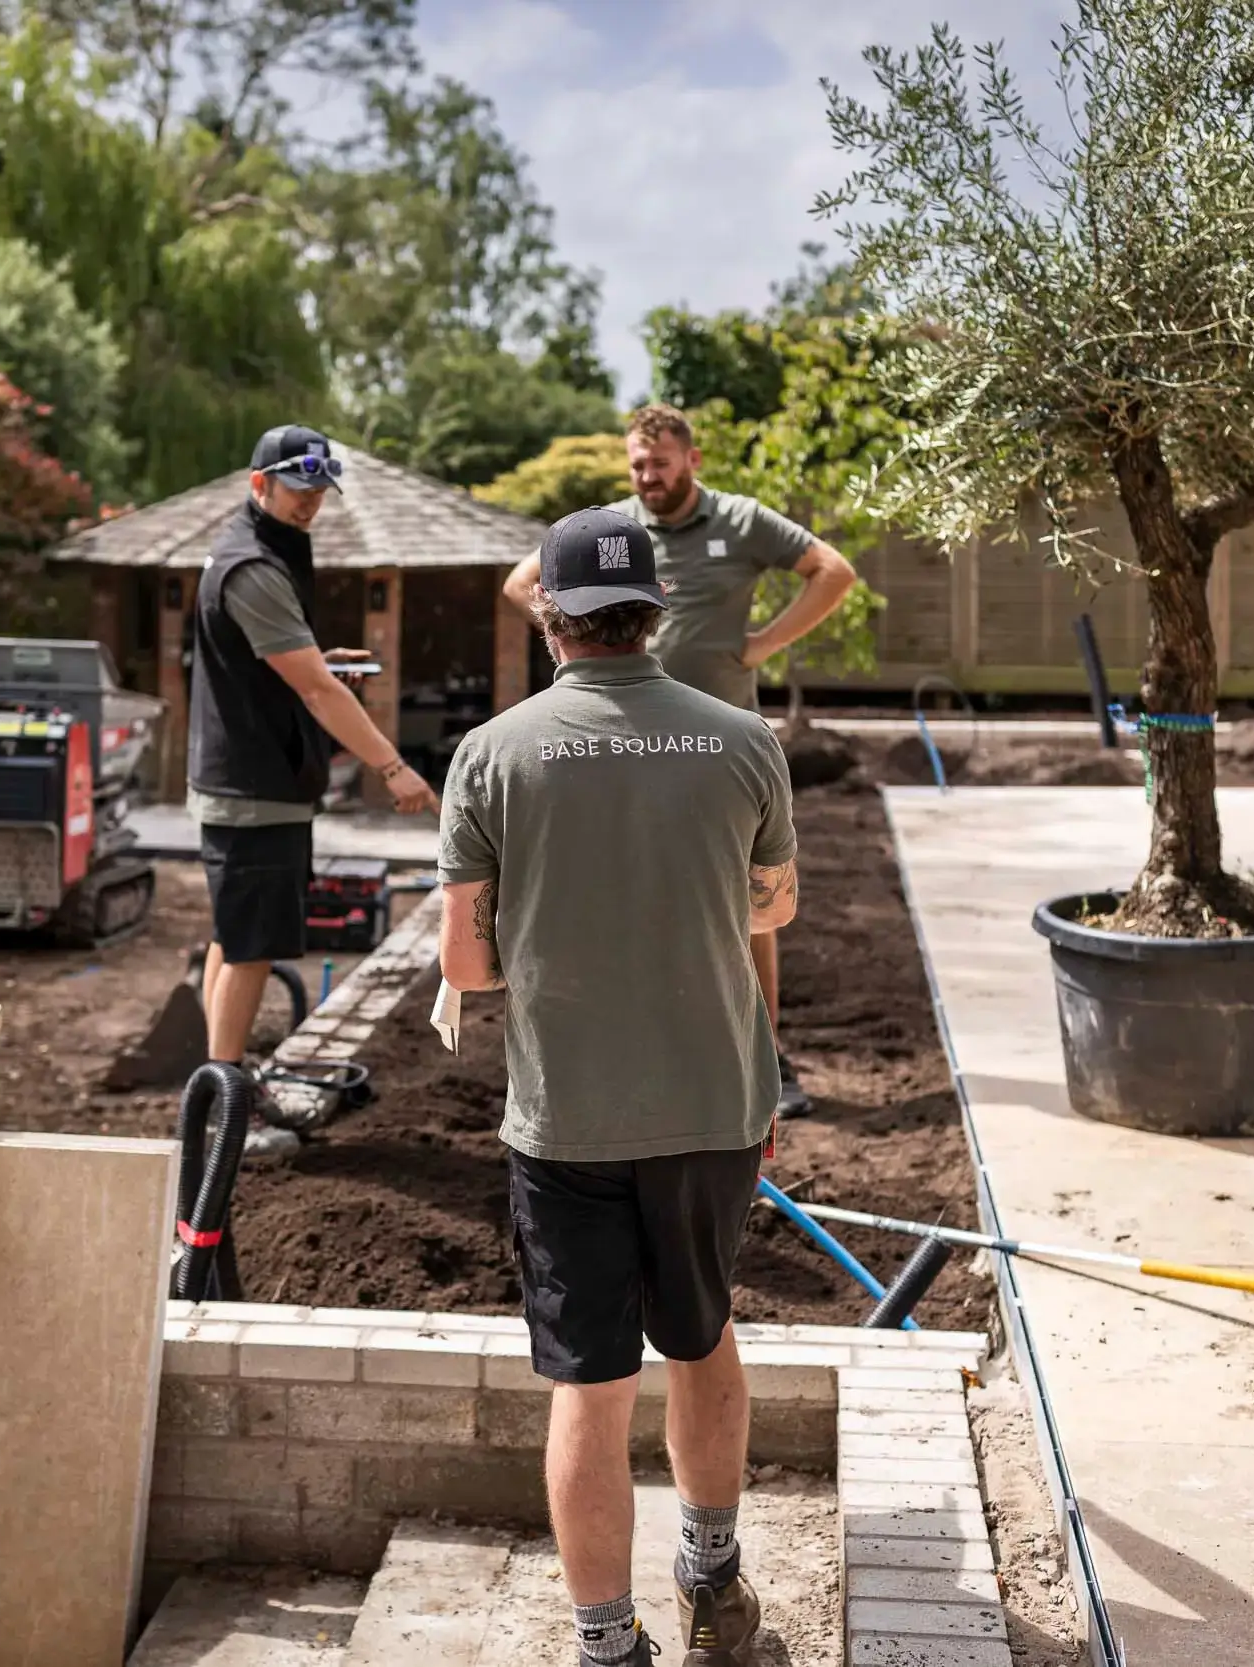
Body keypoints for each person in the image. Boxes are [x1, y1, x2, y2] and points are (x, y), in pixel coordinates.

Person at [440, 506, 799, 1667]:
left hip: (566, 1118)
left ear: (550, 613)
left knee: (590, 1387)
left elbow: (465, 966)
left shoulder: (491, 753)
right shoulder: (742, 739)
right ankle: (712, 1578)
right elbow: (772, 903)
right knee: (701, 1338)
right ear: (659, 611)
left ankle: (606, 1645)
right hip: (712, 1106)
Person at [502, 404, 853, 1119]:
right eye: (636, 463)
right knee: (624, 892)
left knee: (747, 900)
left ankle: (766, 1057)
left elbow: (832, 570)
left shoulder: (742, 520)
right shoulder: (613, 534)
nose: (646, 476)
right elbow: (520, 583)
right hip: (622, 736)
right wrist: (568, 640)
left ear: (691, 459)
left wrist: (760, 644)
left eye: (659, 463)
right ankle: (632, 1050)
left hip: (718, 745)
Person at [189, 424, 437, 1073]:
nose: (311, 502)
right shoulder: (253, 569)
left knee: (234, 934)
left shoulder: (257, 548)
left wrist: (315, 661)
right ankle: (229, 1094)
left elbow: (265, 663)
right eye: (298, 488)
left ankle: (214, 1079)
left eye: (320, 488)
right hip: (253, 791)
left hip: (244, 782)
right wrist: (393, 766)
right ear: (259, 484)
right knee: (252, 950)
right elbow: (321, 696)